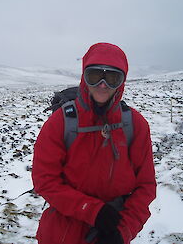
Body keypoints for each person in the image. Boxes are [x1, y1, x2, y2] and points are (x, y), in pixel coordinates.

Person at [32, 42, 156, 244]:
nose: (103, 85)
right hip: (62, 232)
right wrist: (91, 210)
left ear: (122, 82)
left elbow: (146, 186)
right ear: (84, 76)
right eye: (95, 75)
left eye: (112, 78)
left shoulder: (135, 125)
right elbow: (45, 181)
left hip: (113, 227)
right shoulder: (61, 122)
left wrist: (123, 231)